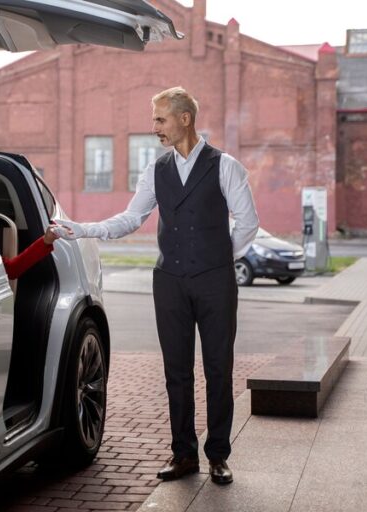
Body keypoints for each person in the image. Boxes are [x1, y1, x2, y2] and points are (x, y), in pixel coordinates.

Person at [56, 86, 259, 485]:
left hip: (216, 283)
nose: (154, 128)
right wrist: (80, 229)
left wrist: (217, 259)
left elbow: (248, 222)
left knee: (219, 369)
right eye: (154, 120)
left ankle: (218, 455)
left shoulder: (225, 166)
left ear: (185, 119)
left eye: (160, 119)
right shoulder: (156, 171)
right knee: (176, 371)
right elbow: (131, 219)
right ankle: (183, 454)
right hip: (169, 283)